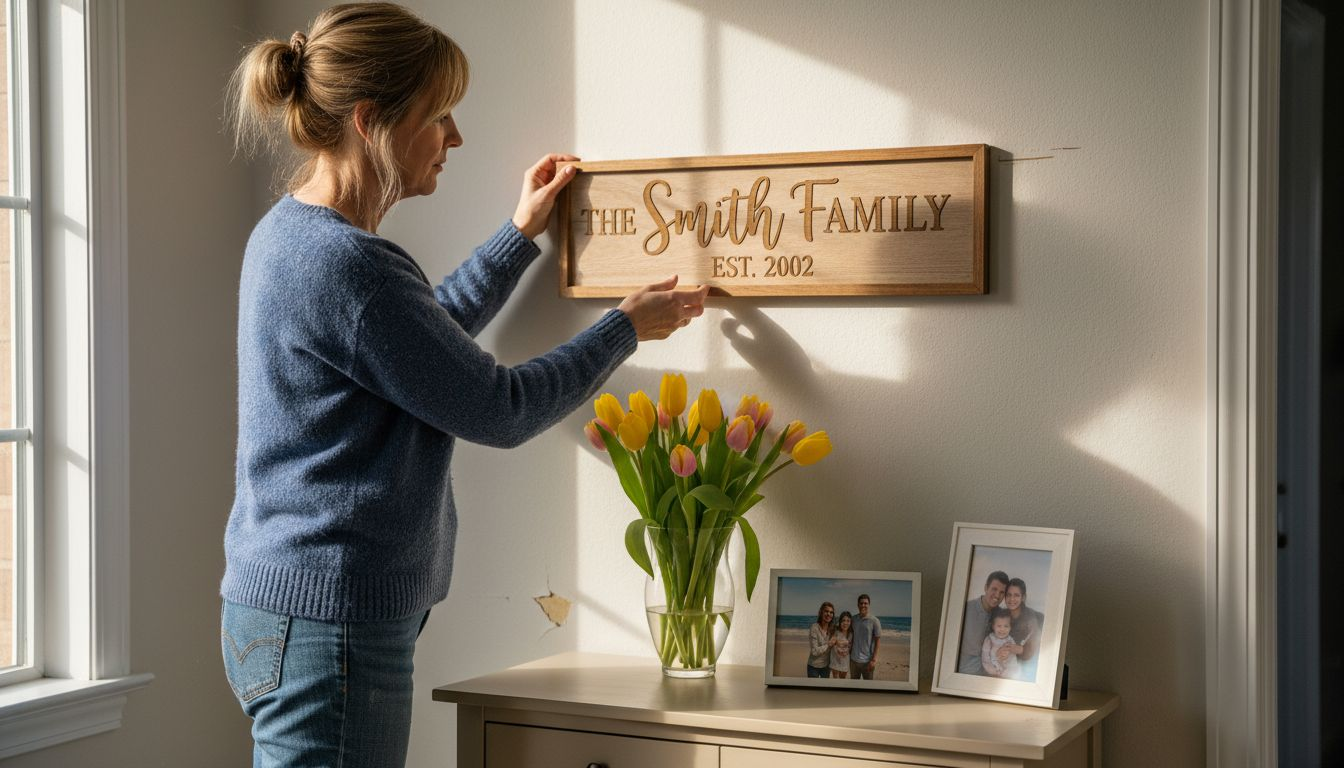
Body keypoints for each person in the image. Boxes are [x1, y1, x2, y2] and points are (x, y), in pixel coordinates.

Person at [217, 5, 707, 766]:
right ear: (371, 120)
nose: (455, 137)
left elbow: (415, 349)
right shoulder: (350, 265)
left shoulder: (290, 234)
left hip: (285, 609)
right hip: (330, 624)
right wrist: (623, 328)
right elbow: (498, 408)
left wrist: (517, 237)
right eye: (438, 115)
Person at [958, 570, 1008, 675]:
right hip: (965, 673)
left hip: (991, 674)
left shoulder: (1001, 616)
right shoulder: (965, 609)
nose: (997, 595)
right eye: (994, 589)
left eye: (1002, 592)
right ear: (986, 588)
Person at [998, 577, 1045, 681]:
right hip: (1004, 667)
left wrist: (1021, 649)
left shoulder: (1034, 618)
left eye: (1016, 595)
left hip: (1026, 670)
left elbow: (1035, 648)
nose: (1011, 599)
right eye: (1008, 595)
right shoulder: (1001, 616)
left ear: (1023, 597)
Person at [980, 608, 1021, 678]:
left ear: (1010, 627)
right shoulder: (989, 640)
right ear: (993, 626)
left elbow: (1013, 659)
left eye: (1006, 626)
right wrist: (994, 671)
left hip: (1008, 671)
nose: (1002, 629)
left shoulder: (1010, 641)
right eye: (999, 626)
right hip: (993, 672)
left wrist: (1008, 672)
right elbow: (985, 659)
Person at [849, 593, 882, 680]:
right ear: (858, 605)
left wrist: (874, 660)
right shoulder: (853, 619)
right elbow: (846, 632)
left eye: (865, 603)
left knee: (868, 688)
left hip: (867, 661)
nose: (863, 605)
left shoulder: (875, 621)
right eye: (861, 603)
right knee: (854, 687)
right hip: (853, 661)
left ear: (869, 605)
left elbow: (878, 641)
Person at [806, 603, 836, 678]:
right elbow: (814, 651)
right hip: (813, 666)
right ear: (821, 612)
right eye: (826, 611)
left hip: (826, 667)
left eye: (831, 612)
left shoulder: (833, 629)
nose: (828, 614)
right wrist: (828, 644)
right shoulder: (814, 628)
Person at [830, 611, 854, 679]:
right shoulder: (836, 631)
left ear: (850, 622)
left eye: (848, 621)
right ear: (840, 621)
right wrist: (835, 641)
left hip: (845, 660)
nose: (845, 623)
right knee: (835, 680)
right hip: (835, 659)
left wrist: (847, 650)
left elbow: (850, 646)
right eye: (843, 620)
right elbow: (830, 643)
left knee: (843, 679)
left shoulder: (851, 634)